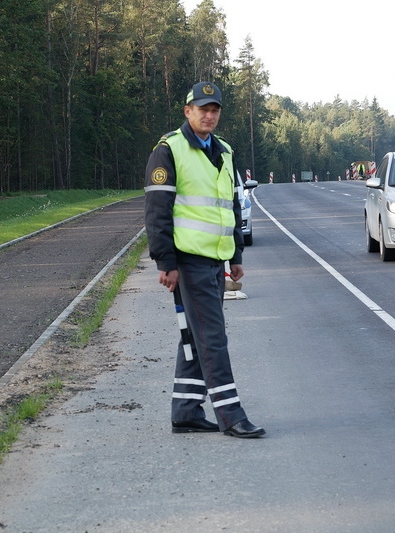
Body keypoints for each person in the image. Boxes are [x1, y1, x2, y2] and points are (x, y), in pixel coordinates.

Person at [143, 81, 265, 438]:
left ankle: (185, 411)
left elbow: (229, 206)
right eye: (202, 109)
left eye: (214, 110)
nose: (209, 115)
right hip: (188, 261)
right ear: (188, 111)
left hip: (215, 260)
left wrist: (236, 253)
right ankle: (231, 415)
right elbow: (157, 211)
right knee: (213, 338)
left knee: (196, 339)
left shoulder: (224, 151)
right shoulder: (169, 151)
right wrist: (165, 262)